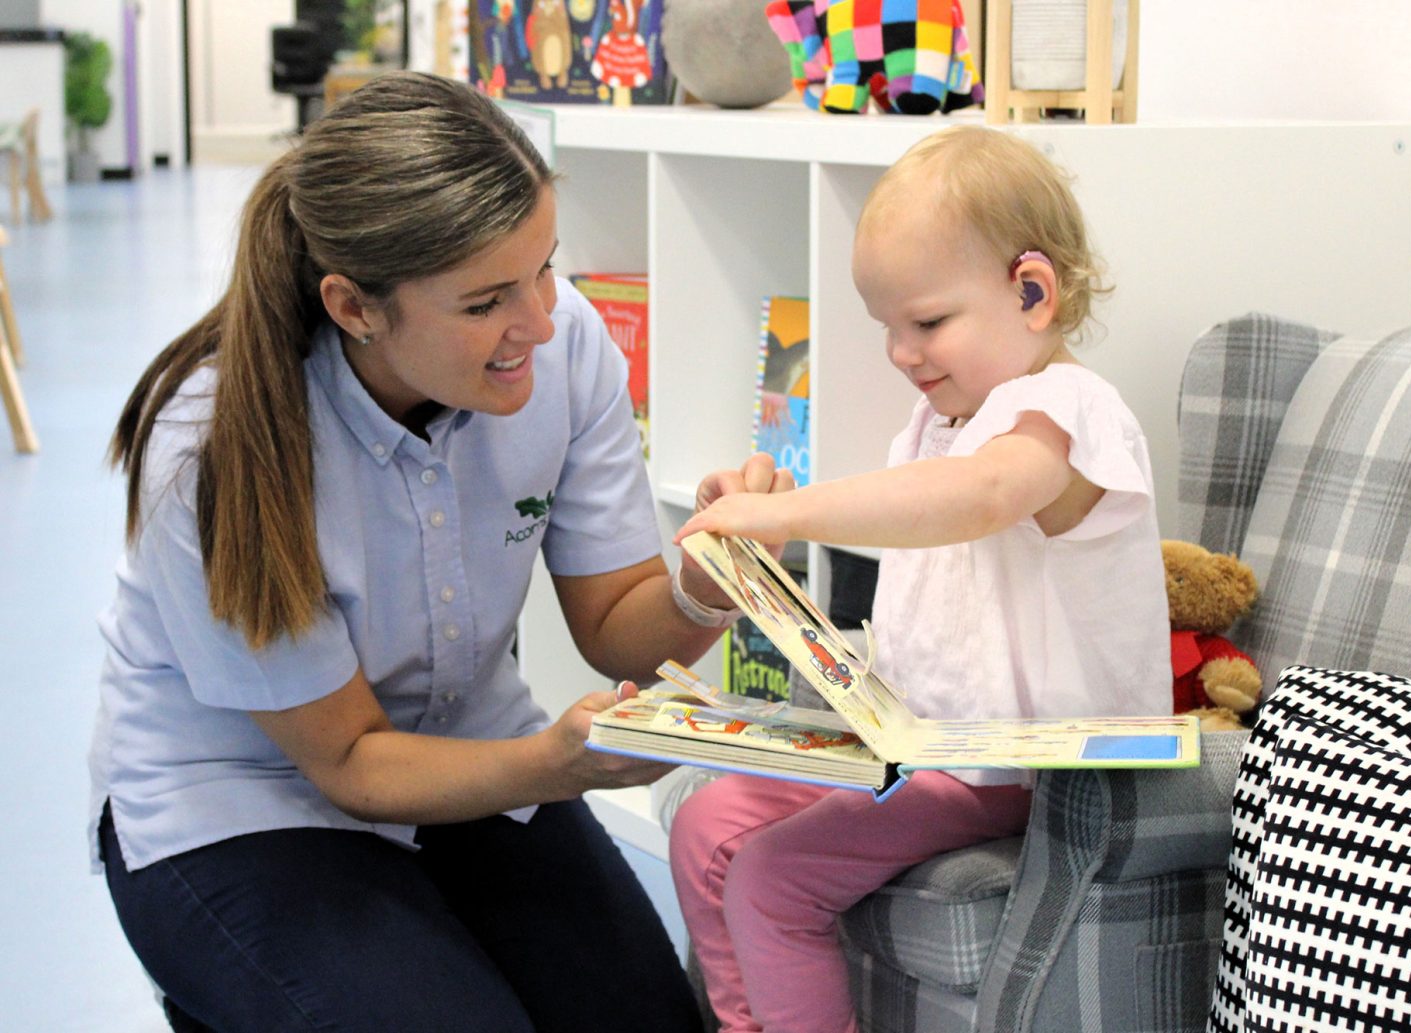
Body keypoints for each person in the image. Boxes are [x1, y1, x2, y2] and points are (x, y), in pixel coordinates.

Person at [90, 71, 785, 1033]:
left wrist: (711, 588)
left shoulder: (564, 344)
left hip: (467, 752)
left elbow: (621, 630)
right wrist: (555, 764)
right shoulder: (216, 442)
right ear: (354, 306)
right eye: (486, 301)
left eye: (545, 268)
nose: (540, 322)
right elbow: (349, 762)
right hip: (245, 802)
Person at [666, 125, 1172, 1033]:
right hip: (926, 746)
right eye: (888, 328)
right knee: (706, 825)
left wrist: (790, 513)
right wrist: (761, 512)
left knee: (776, 875)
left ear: (1031, 290)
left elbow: (977, 497)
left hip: (1022, 766)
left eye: (927, 323)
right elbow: (919, 515)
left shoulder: (1066, 414)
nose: (903, 352)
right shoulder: (948, 419)